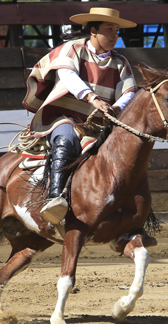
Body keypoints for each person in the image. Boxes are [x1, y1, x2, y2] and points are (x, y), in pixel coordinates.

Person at [22, 7, 138, 225]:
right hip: (63, 116)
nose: (115, 35)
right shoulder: (72, 49)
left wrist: (116, 108)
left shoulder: (121, 62)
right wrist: (92, 98)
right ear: (93, 31)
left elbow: (130, 92)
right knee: (67, 139)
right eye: (109, 29)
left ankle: (136, 213)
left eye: (117, 30)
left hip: (101, 124)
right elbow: (67, 75)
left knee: (130, 151)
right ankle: (54, 198)